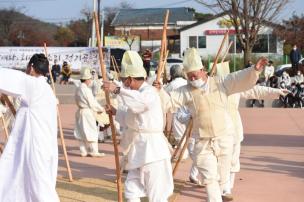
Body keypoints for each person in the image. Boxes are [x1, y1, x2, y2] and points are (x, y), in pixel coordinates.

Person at [154, 48, 267, 202]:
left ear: (203, 70)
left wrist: (254, 70)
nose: (193, 78)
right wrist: (159, 91)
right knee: (209, 178)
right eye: (189, 76)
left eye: (195, 74)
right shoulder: (185, 91)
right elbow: (168, 103)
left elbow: (238, 77)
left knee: (222, 177)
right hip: (203, 142)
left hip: (224, 138)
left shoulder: (220, 82)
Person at [103, 50, 173, 202]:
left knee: (157, 194)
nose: (124, 84)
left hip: (153, 150)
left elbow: (140, 103)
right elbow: (133, 116)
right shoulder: (137, 94)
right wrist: (116, 112)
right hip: (136, 148)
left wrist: (117, 90)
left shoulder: (149, 92)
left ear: (129, 79)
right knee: (131, 191)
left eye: (124, 81)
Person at [0, 54, 59, 201]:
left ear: (31, 67)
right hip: (42, 142)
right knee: (28, 178)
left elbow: (6, 76)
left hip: (33, 142)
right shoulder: (46, 89)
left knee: (37, 182)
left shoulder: (33, 85)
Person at [164, 64, 202, 185]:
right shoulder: (187, 83)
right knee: (193, 147)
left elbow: (164, 97)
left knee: (191, 147)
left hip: (183, 116)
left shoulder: (172, 85)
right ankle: (193, 173)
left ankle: (193, 171)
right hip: (189, 116)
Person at [74, 67, 106, 157]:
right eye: (90, 79)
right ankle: (94, 151)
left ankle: (83, 151)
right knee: (92, 131)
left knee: (81, 131)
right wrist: (101, 109)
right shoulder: (86, 90)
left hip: (80, 110)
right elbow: (92, 103)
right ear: (87, 79)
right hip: (87, 112)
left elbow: (76, 100)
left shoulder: (78, 88)